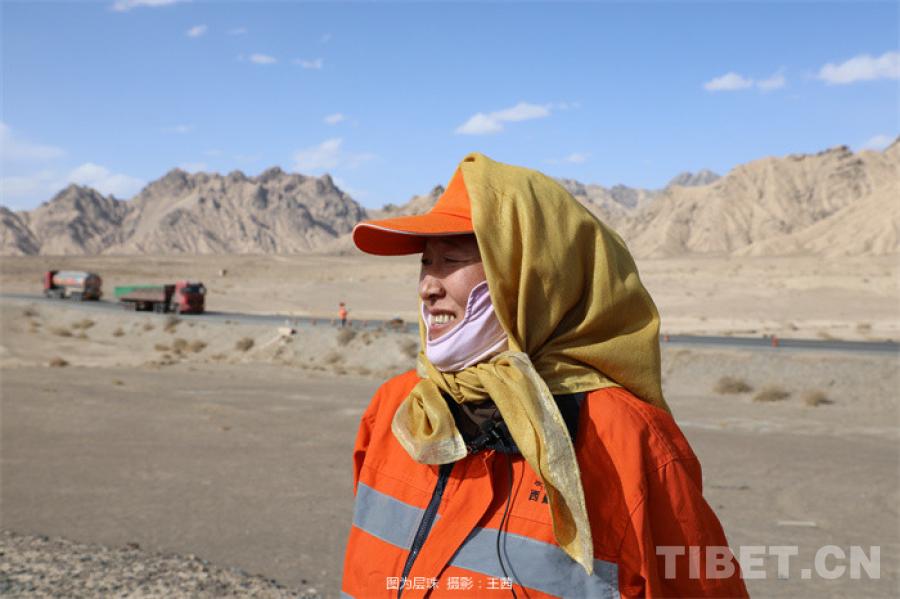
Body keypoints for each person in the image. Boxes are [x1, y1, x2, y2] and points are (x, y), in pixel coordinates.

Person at [342, 153, 748, 598]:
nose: (428, 287)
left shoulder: (627, 440)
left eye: (451, 260)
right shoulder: (400, 407)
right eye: (426, 262)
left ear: (532, 276)